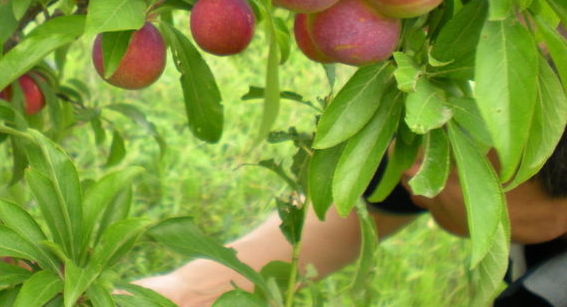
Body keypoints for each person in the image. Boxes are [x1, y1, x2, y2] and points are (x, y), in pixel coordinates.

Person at [132, 130, 567, 307]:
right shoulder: (427, 150)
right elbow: (345, 214)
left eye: (447, 164)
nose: (410, 169)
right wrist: (175, 294)